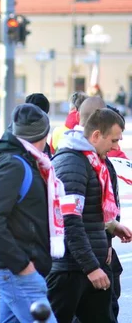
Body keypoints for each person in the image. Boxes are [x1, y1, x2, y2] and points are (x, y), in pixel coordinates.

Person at [48, 107, 132, 323]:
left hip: (89, 267)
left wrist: (111, 225)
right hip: (70, 271)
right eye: (113, 140)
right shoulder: (72, 163)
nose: (117, 146)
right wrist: (92, 267)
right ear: (96, 135)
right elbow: (70, 222)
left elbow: (88, 211)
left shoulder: (94, 161)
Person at [0, 104, 59, 323]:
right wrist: (23, 265)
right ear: (44, 134)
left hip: (16, 269)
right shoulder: (14, 165)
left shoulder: (27, 162)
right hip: (16, 271)